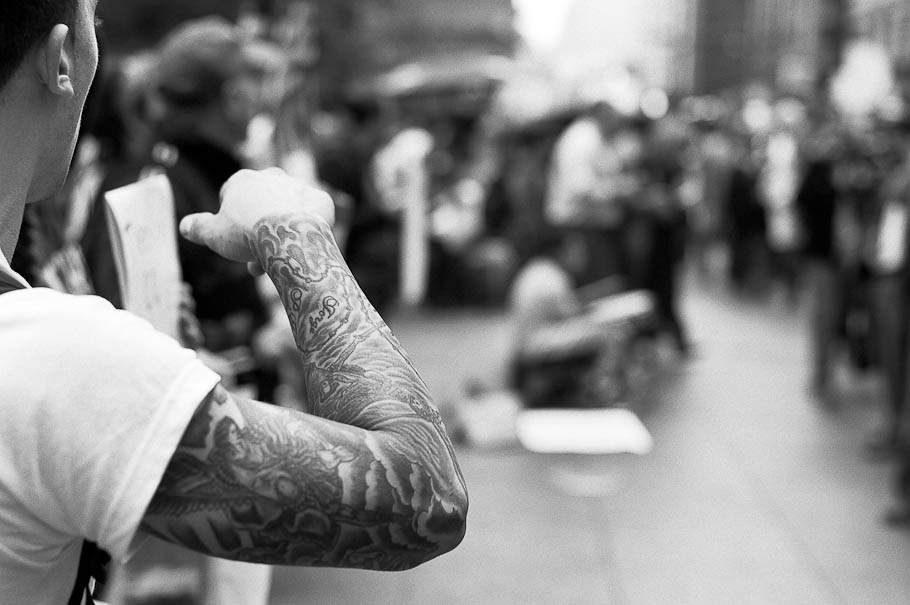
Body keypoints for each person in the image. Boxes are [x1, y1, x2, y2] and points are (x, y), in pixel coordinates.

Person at [0, 3, 468, 604]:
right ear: (63, 57)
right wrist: (294, 230)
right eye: (94, 12)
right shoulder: (52, 358)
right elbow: (427, 493)